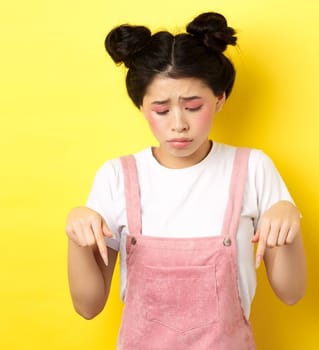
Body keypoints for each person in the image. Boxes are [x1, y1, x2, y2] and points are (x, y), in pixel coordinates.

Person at [65, 12, 306, 349]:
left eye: (193, 106)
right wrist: (76, 234)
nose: (178, 124)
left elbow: (291, 292)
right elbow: (87, 306)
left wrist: (289, 220)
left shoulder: (252, 168)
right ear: (141, 106)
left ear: (220, 99)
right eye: (161, 110)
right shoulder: (117, 177)